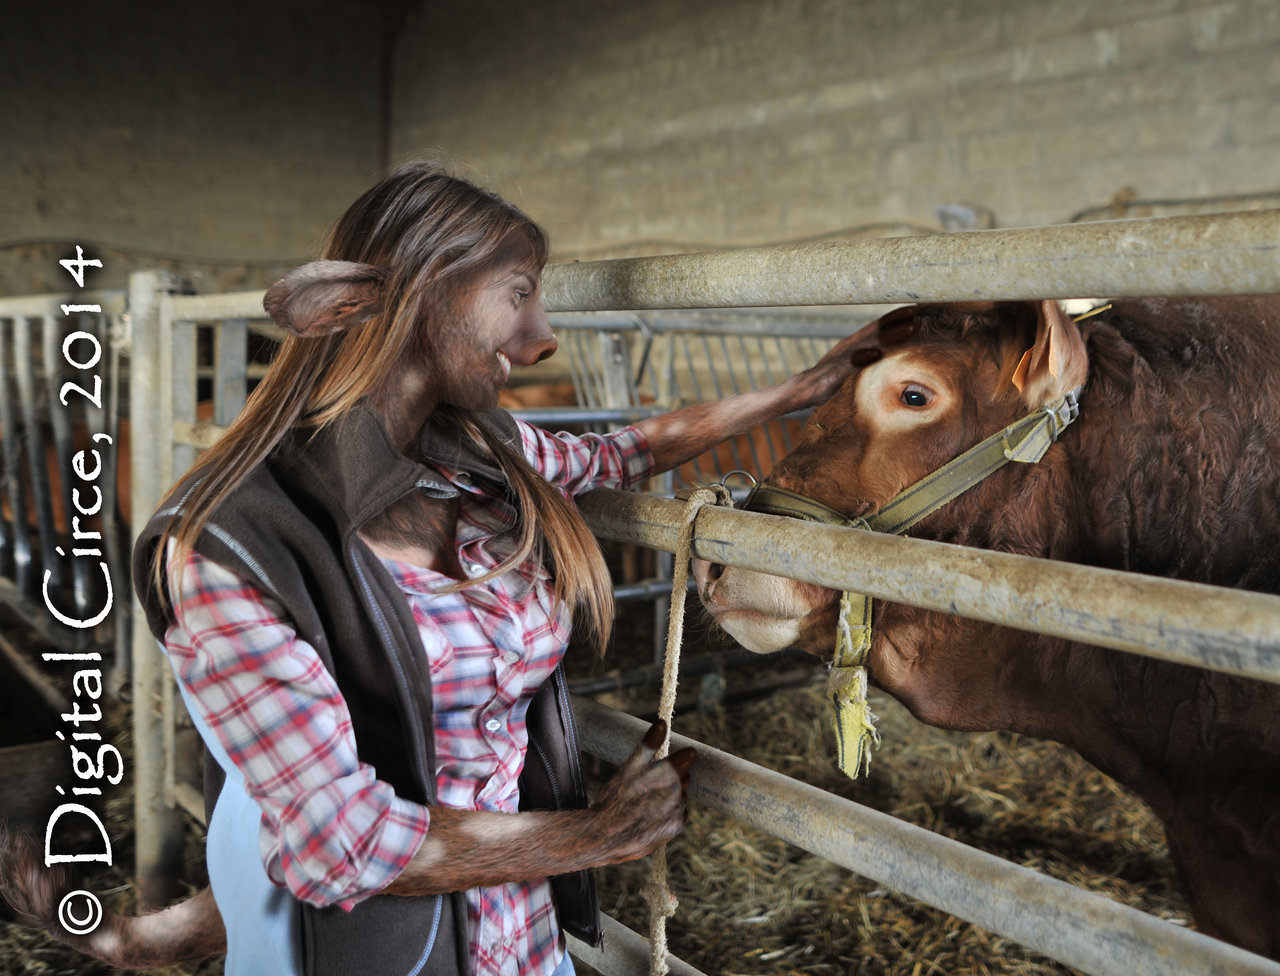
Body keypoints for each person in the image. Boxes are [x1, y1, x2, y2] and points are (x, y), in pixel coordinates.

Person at [23, 161, 866, 975]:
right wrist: (597, 836)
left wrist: (800, 390)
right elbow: (336, 841)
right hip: (375, 947)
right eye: (520, 294)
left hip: (518, 927)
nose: (541, 340)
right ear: (424, 292)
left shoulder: (476, 455)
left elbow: (621, 452)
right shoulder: (223, 548)